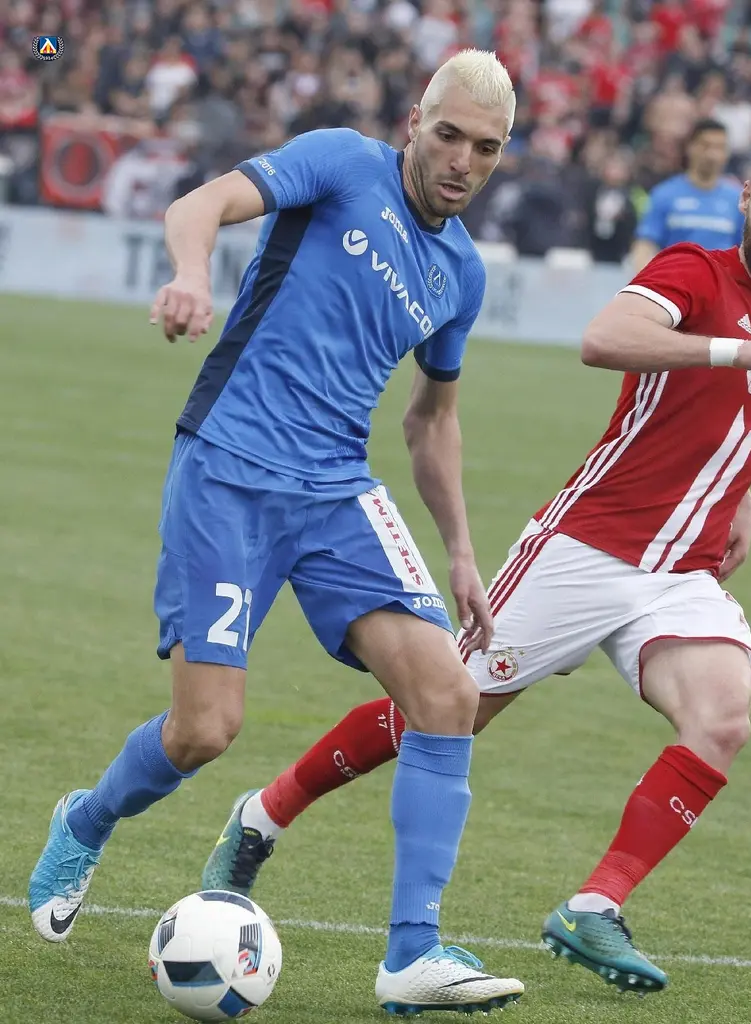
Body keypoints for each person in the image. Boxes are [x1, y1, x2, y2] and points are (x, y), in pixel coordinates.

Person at [201, 130, 751, 995]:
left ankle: (595, 905)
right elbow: (604, 337)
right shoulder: (694, 273)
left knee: (723, 719)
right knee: (447, 708)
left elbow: (729, 419)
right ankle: (263, 814)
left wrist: (742, 495)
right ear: (746, 198)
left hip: (679, 576)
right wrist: (736, 350)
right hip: (585, 551)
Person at [28, 49, 527, 1016]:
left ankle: (413, 956)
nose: (463, 162)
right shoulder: (341, 162)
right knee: (204, 730)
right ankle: (86, 821)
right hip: (229, 467)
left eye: (487, 148)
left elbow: (433, 420)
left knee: (448, 694)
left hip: (337, 489)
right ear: (415, 120)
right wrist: (190, 275)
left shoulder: (460, 272)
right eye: (449, 135)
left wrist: (464, 551)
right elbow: (201, 203)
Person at [630, 118, 745, 273]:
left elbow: (746, 251)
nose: (712, 155)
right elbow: (645, 245)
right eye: (706, 146)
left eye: (719, 147)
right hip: (675, 283)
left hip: (721, 285)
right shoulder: (664, 194)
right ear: (690, 147)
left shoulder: (737, 199)